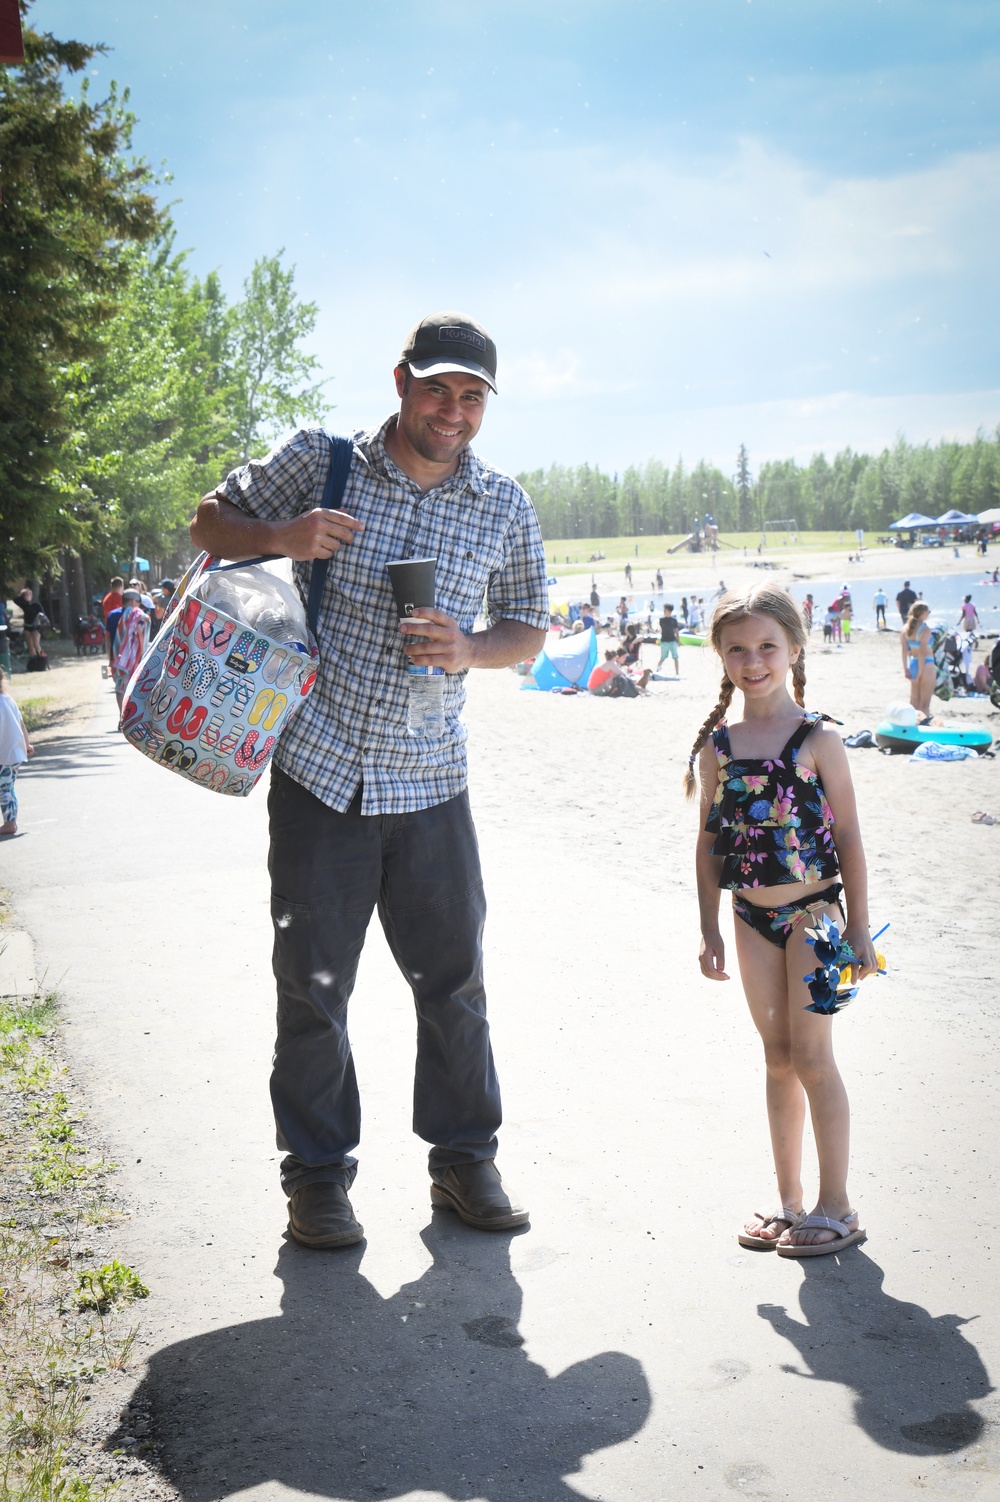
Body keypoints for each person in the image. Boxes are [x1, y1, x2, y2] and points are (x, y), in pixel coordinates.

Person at [189, 311, 547, 1249]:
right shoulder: (324, 461)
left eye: (472, 396)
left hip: (432, 781)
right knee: (312, 988)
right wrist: (287, 533)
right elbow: (207, 522)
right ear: (400, 381)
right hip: (321, 776)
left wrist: (470, 646)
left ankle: (464, 1161)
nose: (453, 410)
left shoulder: (502, 504)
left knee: (455, 986)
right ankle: (316, 1179)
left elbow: (530, 626)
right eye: (437, 388)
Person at [686, 584, 877, 1255]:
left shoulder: (819, 737)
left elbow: (848, 835)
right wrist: (710, 928)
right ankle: (789, 1200)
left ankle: (837, 1205)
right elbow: (711, 842)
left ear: (794, 648)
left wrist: (859, 929)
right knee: (775, 1058)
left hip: (817, 919)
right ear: (721, 657)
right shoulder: (719, 746)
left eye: (768, 645)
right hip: (749, 919)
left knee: (814, 1058)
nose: (753, 659)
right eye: (737, 648)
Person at [0, 669, 34, 836]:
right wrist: (27, 744)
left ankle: (10, 823)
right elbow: (21, 724)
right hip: (14, 753)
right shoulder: (9, 700)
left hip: (3, 755)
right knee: (8, 787)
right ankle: (10, 820)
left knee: (4, 789)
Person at [111, 588, 149, 711]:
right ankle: (131, 715)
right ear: (133, 601)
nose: (138, 606)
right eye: (138, 602)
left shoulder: (112, 615)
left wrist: (110, 658)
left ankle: (120, 715)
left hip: (116, 657)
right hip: (134, 658)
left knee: (119, 687)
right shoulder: (138, 616)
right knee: (134, 687)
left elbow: (107, 638)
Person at [901, 601, 936, 721]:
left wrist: (906, 669)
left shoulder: (905, 629)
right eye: (928, 611)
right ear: (923, 613)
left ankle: (910, 727)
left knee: (914, 702)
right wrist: (921, 672)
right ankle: (923, 730)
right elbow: (922, 651)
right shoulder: (925, 629)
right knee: (924, 704)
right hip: (926, 665)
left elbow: (904, 651)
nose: (929, 613)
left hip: (913, 664)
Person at [17, 588, 44, 659]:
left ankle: (43, 658)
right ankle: (34, 660)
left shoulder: (36, 604)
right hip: (27, 627)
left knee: (36, 644)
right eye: (24, 596)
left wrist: (38, 620)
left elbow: (42, 614)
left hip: (36, 626)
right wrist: (23, 594)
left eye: (28, 595)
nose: (26, 596)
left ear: (31, 596)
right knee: (30, 645)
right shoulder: (24, 605)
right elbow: (15, 600)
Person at [658, 604, 681, 675]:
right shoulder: (661, 620)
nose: (664, 611)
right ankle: (657, 670)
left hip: (672, 641)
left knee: (675, 657)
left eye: (665, 610)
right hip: (664, 641)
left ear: (669, 611)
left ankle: (677, 673)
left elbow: (676, 631)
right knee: (663, 657)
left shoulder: (674, 620)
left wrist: (678, 641)